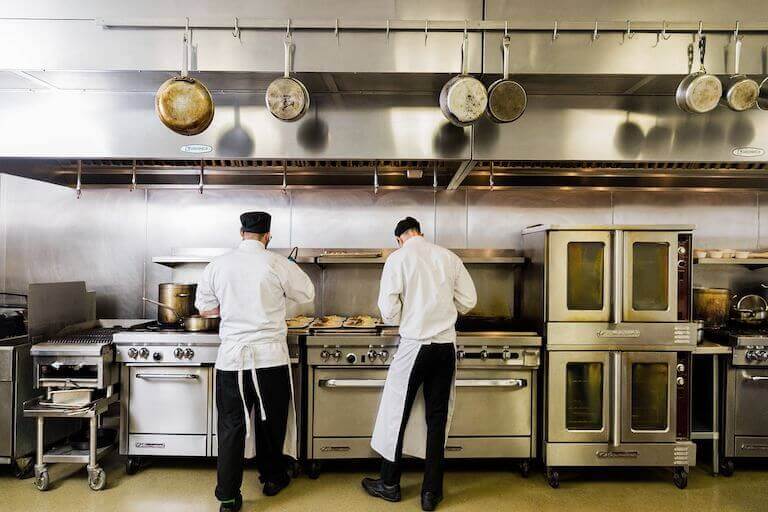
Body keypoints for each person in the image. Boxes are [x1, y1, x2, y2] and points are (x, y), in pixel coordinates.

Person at [196, 211, 315, 512]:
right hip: (269, 359)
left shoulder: (217, 265)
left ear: (241, 232)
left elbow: (205, 309)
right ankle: (272, 478)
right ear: (268, 236)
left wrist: (234, 306)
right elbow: (307, 294)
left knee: (231, 426)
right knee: (269, 423)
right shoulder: (277, 263)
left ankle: (227, 496)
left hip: (232, 359)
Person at [362, 216, 477, 511]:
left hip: (415, 346)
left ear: (399, 238)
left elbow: (388, 311)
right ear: (421, 233)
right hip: (445, 347)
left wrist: (407, 314)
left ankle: (389, 484)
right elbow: (468, 301)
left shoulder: (398, 259)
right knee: (436, 418)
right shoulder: (448, 256)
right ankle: (431, 492)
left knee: (395, 412)